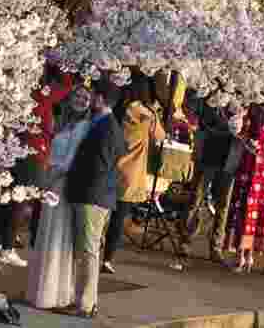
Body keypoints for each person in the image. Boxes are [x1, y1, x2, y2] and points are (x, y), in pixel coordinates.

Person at [59, 84, 127, 318]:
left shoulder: (107, 128)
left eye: (94, 96)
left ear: (101, 99)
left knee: (88, 250)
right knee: (85, 248)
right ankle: (83, 300)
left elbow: (102, 165)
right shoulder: (105, 124)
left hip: (93, 196)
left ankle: (86, 304)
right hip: (93, 195)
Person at [26, 88, 92, 309]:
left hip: (62, 182)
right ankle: (40, 289)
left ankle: (54, 292)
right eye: (77, 96)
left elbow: (71, 158)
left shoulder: (84, 126)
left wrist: (53, 177)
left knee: (57, 234)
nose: (81, 101)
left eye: (86, 98)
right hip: (51, 178)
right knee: (46, 231)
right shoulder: (63, 123)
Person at [102, 77, 165, 274]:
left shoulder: (117, 109)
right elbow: (160, 136)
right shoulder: (148, 114)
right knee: (118, 218)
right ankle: (107, 258)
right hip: (131, 171)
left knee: (100, 214)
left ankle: (90, 250)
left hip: (110, 166)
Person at [224, 103, 264, 273]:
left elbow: (241, 132)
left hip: (254, 161)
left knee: (247, 204)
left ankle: (242, 256)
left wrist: (242, 133)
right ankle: (249, 255)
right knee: (260, 207)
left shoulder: (255, 106)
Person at [180, 90, 240, 265]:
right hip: (208, 150)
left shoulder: (244, 92)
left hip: (229, 156)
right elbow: (192, 106)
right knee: (196, 198)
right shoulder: (210, 87)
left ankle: (216, 246)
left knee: (223, 204)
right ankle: (186, 239)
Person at [21, 64, 75, 247]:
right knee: (32, 197)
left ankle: (11, 239)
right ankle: (16, 239)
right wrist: (60, 64)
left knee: (26, 197)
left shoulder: (34, 93)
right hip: (36, 149)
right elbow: (66, 87)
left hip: (31, 147)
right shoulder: (41, 95)